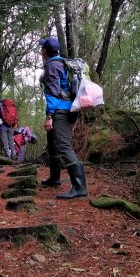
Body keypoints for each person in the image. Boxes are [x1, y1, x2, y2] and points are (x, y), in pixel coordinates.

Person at [39, 37, 88, 199]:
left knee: (63, 146)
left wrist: (49, 115)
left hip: (60, 111)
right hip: (69, 109)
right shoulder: (62, 63)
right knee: (53, 144)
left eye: (42, 49)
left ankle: (79, 187)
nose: (41, 51)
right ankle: (54, 178)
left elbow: (53, 93)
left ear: (45, 51)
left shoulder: (52, 66)